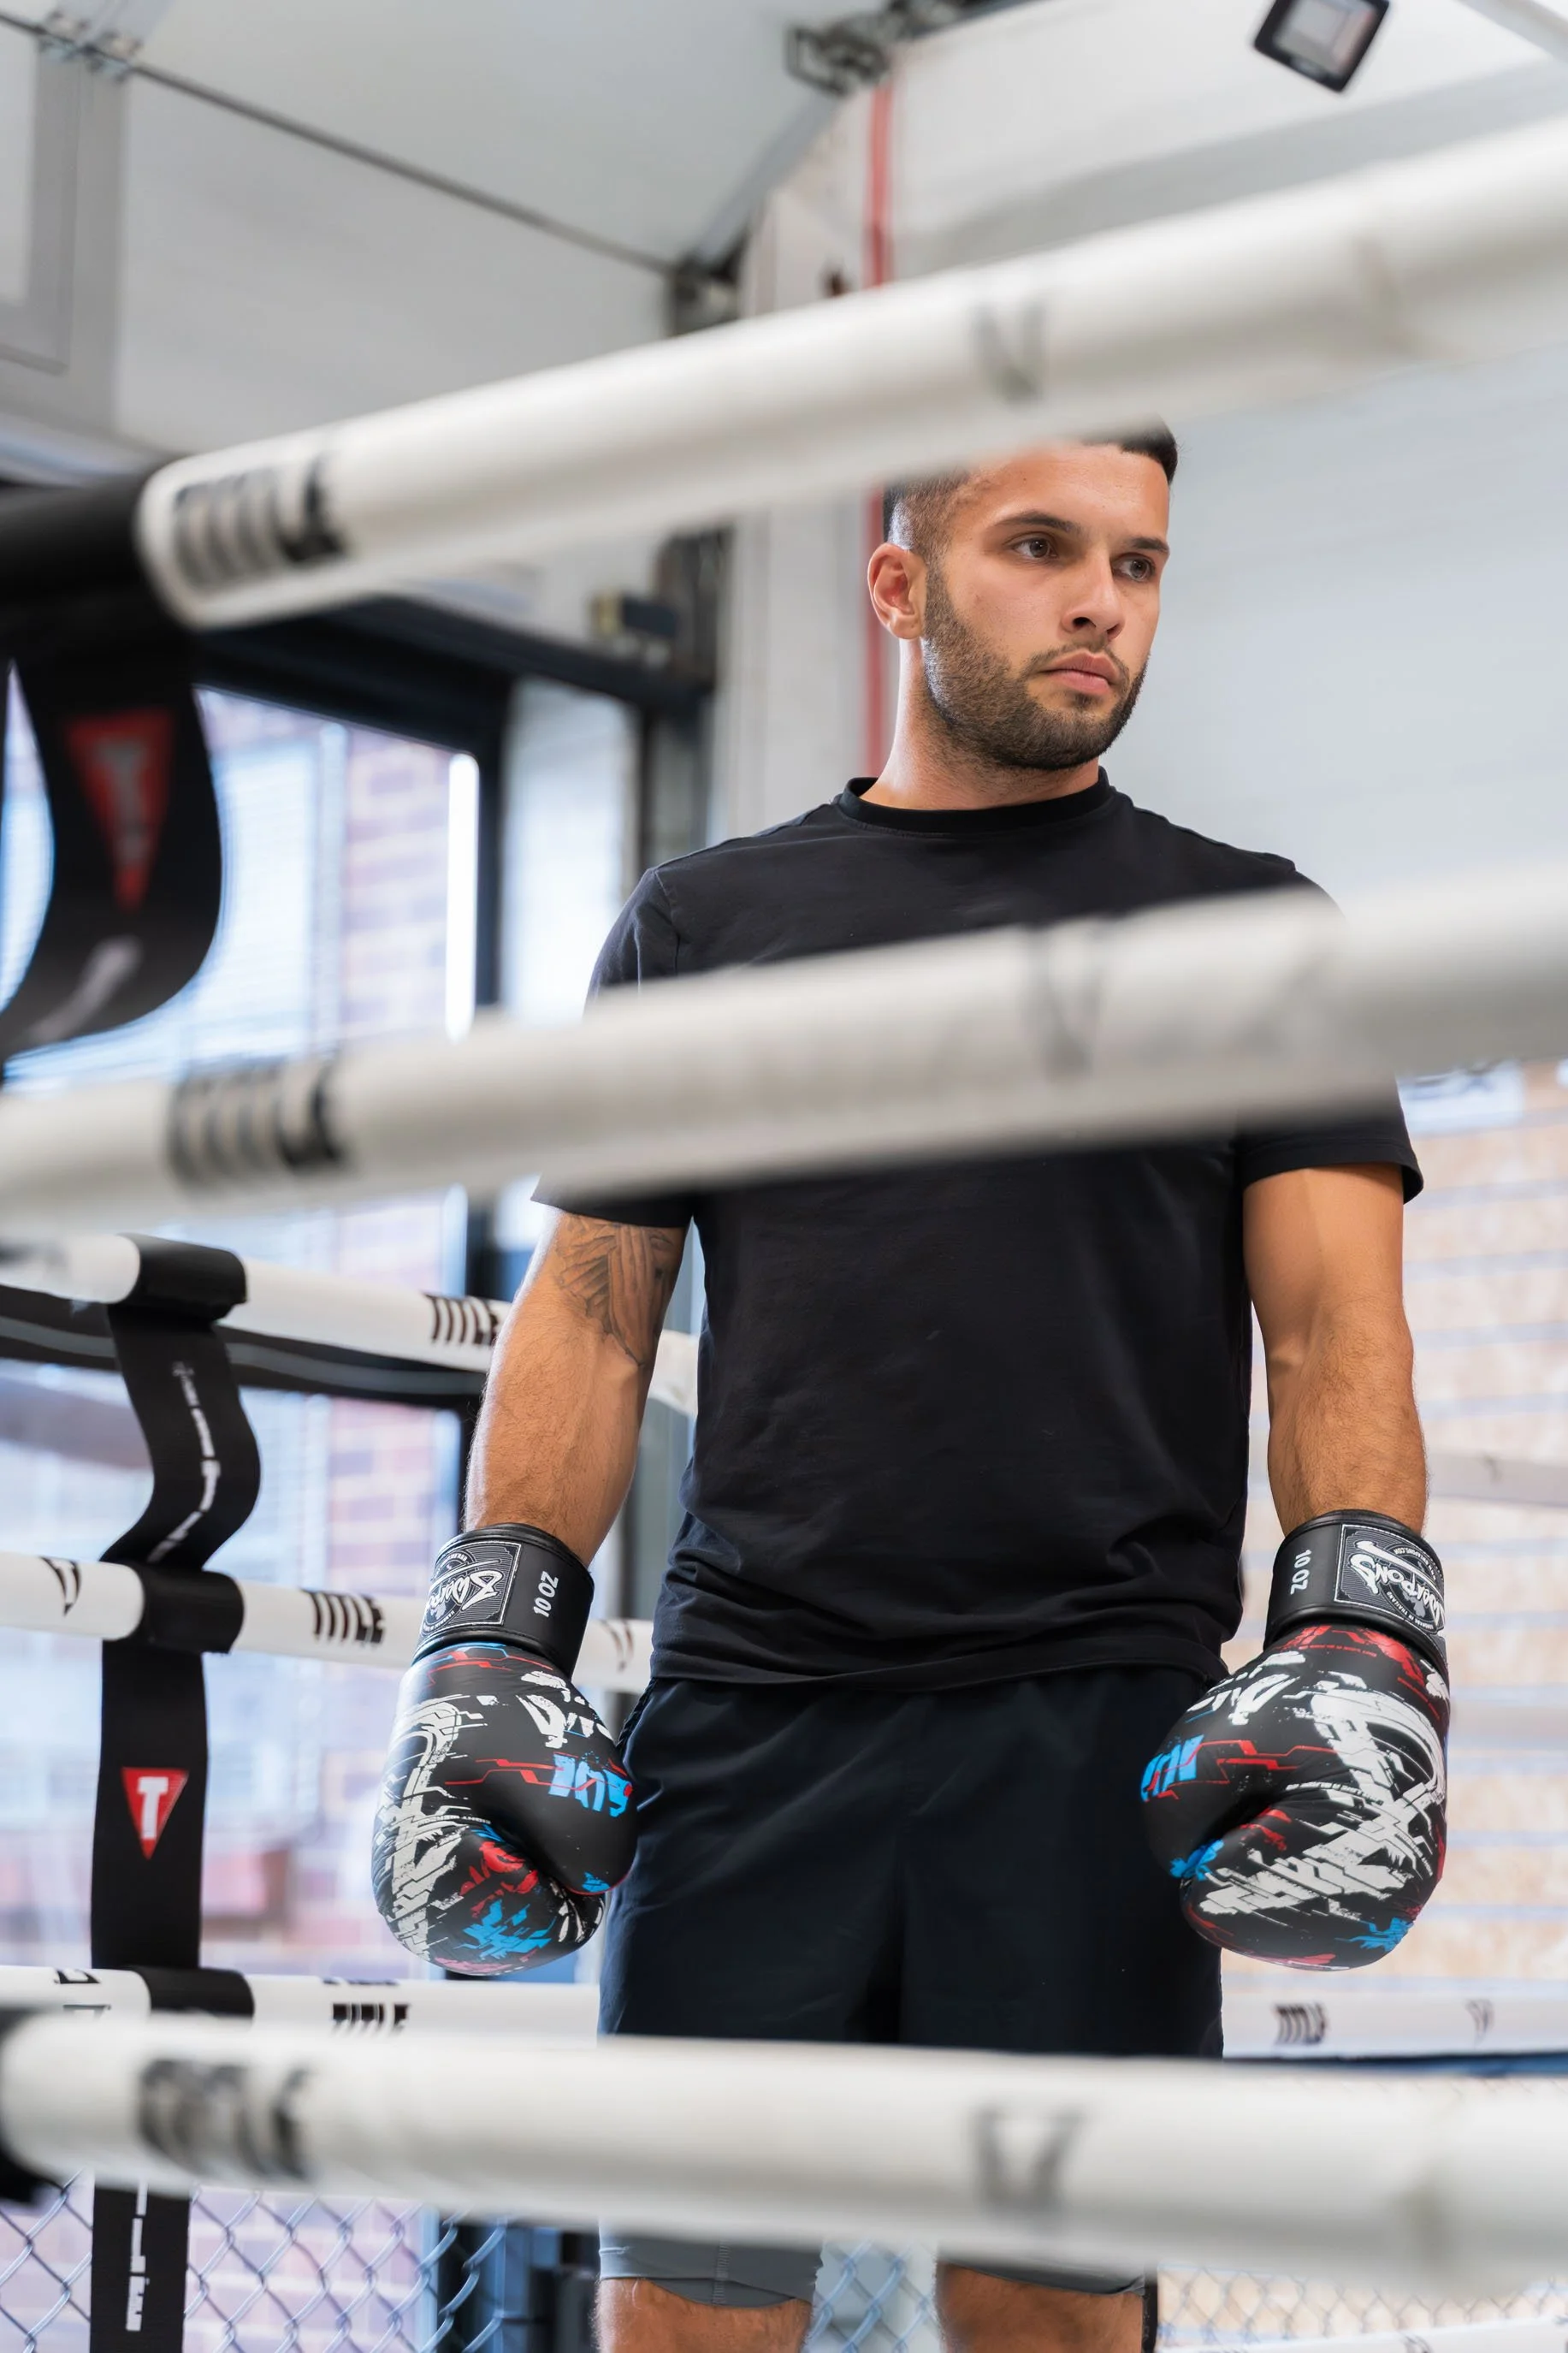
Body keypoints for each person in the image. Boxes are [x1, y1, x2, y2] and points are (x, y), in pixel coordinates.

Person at [444, 432, 1427, 2351]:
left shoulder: (1247, 929)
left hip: (1094, 1727)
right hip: (750, 1722)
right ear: (895, 588)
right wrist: (493, 1641)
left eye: (1138, 563)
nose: (1099, 603)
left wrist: (1357, 1643)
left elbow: (1331, 1330)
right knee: (690, 2313)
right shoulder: (707, 923)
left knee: (1047, 2318)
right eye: (1039, 548)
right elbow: (592, 1306)